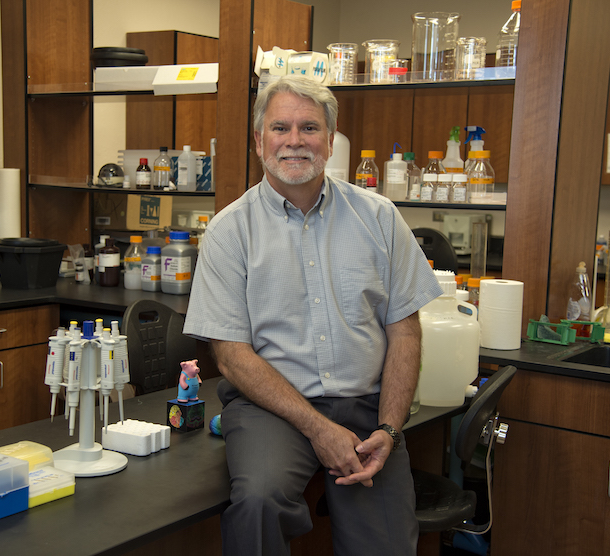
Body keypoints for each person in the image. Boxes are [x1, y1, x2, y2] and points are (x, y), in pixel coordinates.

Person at [183, 75, 442, 556]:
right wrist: (319, 429)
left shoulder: (379, 216)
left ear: (330, 139)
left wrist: (388, 429)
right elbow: (233, 356)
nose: (295, 140)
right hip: (271, 410)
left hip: (367, 406)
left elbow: (404, 329)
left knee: (385, 543)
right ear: (260, 140)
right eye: (280, 127)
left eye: (309, 127)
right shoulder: (228, 232)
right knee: (258, 502)